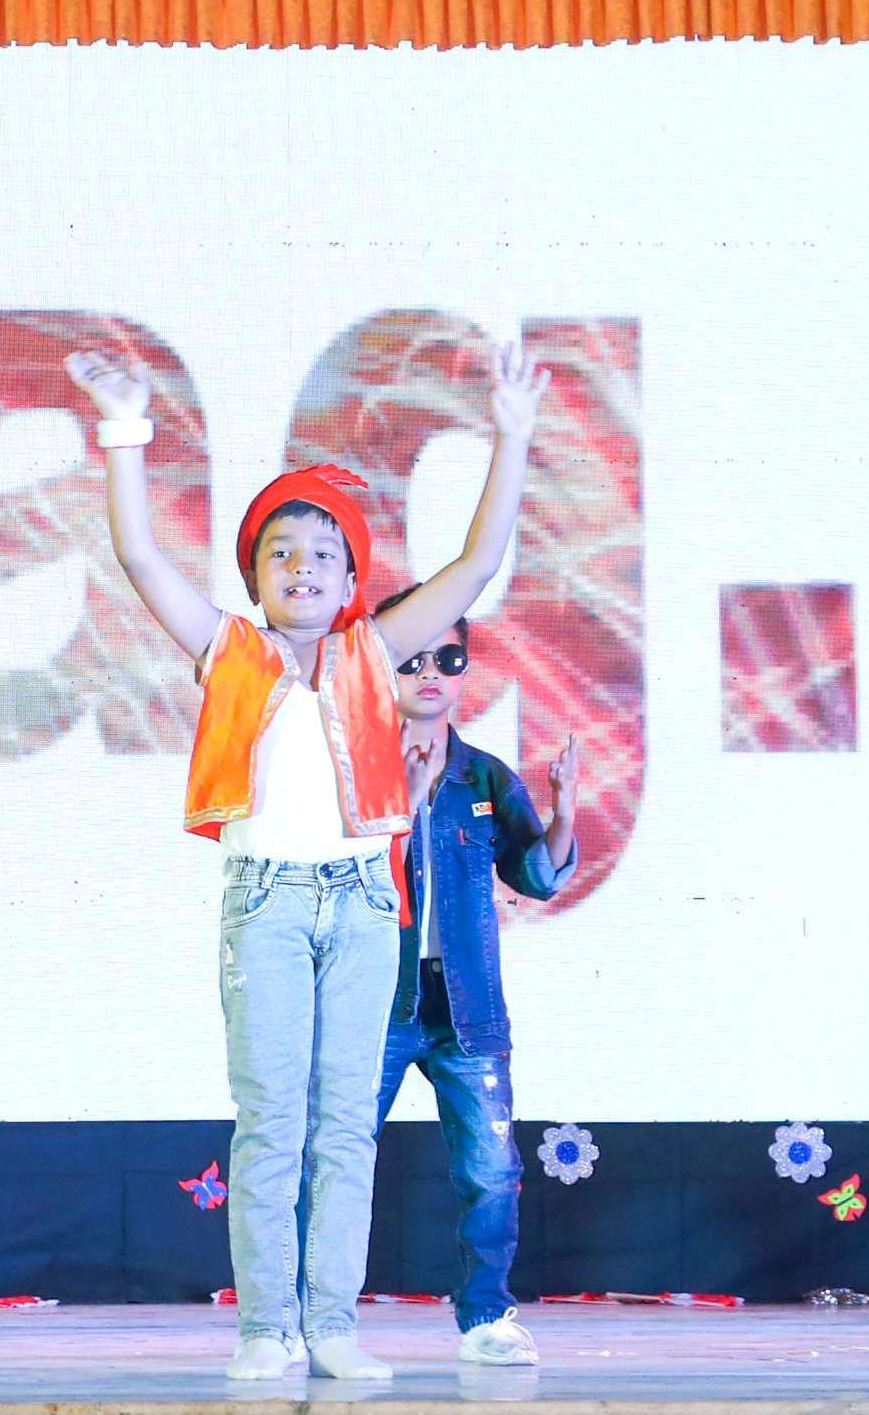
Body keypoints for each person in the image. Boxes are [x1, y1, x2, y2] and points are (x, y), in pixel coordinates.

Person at [68, 340, 546, 1380]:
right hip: (268, 904)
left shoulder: (374, 650)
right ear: (254, 577)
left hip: (363, 904)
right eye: (280, 552)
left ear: (352, 580)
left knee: (344, 1131)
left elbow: (474, 566)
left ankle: (331, 1325)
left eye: (323, 553)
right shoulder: (228, 650)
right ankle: (264, 1327)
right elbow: (141, 557)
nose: (302, 566)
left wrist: (511, 437)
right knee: (271, 1123)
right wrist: (125, 429)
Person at [368, 584, 577, 1366]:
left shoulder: (485, 778)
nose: (430, 673)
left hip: (468, 1010)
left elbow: (539, 877)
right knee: (336, 1164)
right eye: (411, 659)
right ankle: (309, 1317)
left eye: (448, 659)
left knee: (490, 1171)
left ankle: (486, 1317)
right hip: (374, 1005)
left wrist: (565, 810)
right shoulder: (349, 770)